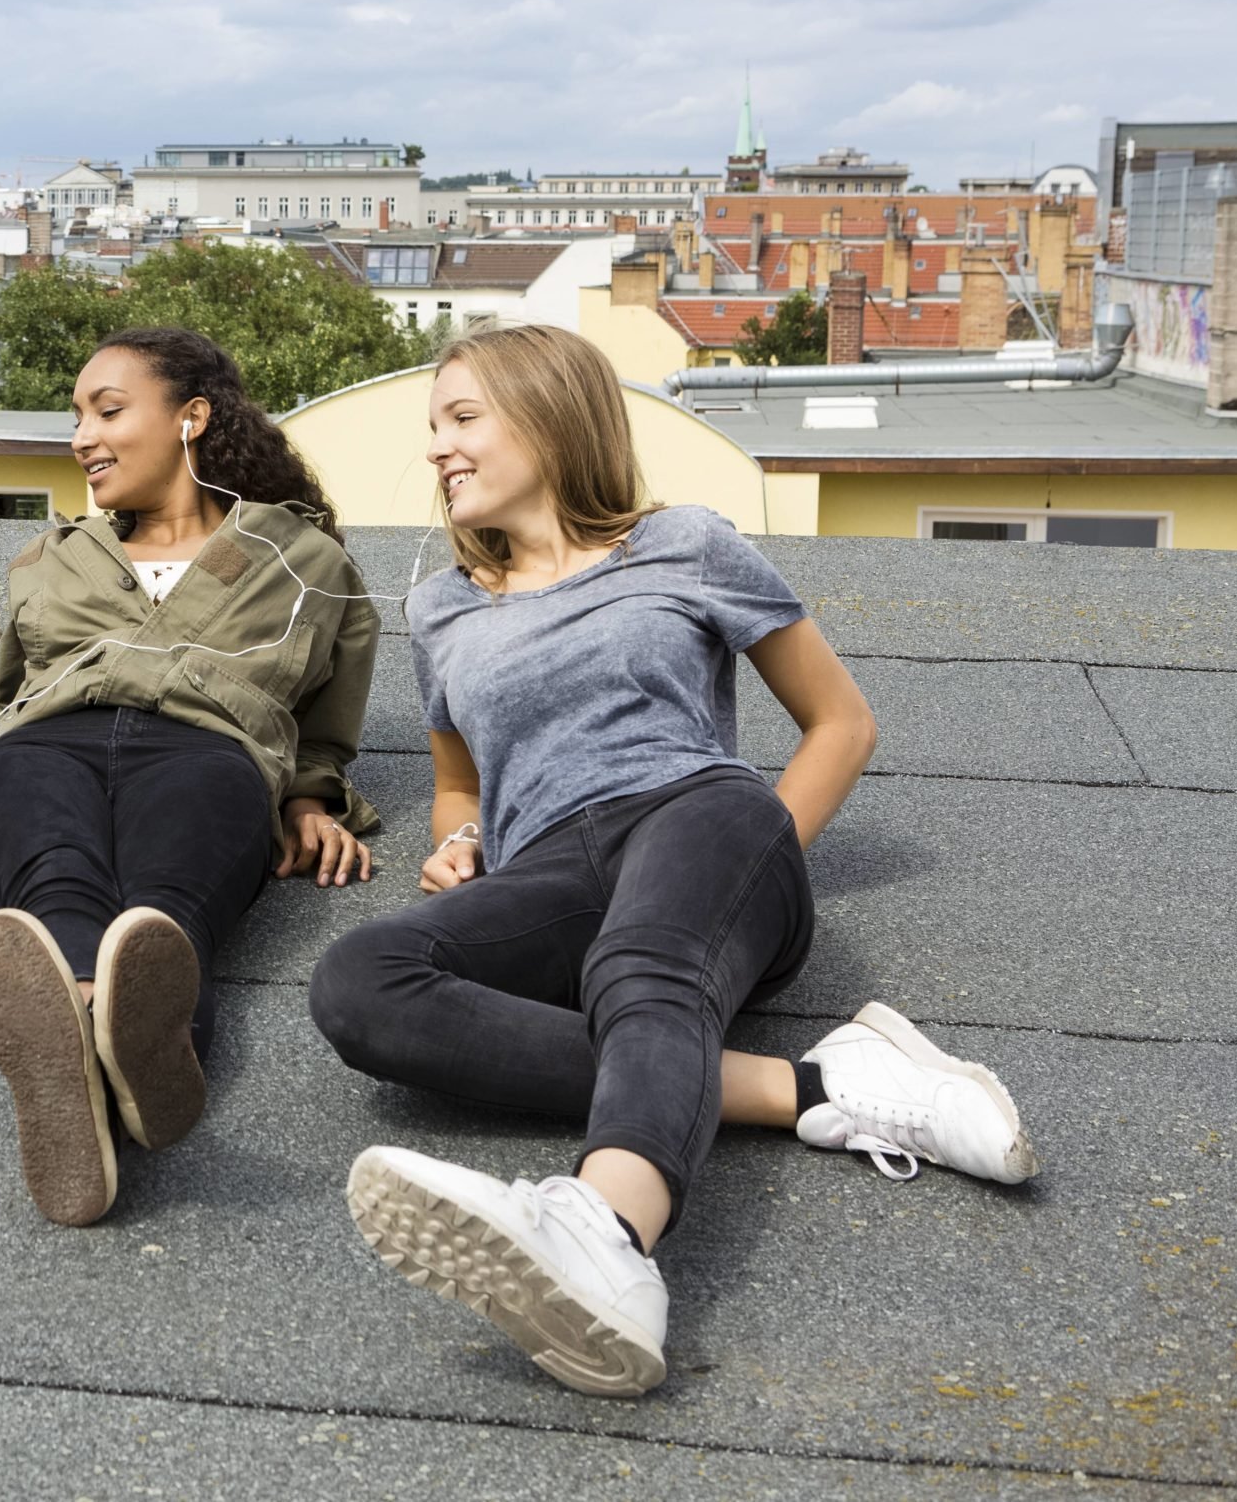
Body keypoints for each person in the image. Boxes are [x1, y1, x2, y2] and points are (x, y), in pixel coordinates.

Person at [309, 324, 1037, 1398]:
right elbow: (460, 781)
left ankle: (606, 1238)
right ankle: (824, 1088)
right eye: (433, 425)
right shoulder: (441, 608)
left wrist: (753, 863)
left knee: (642, 967)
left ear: (549, 417)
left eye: (461, 418)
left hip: (698, 818)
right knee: (355, 982)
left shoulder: (682, 543)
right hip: (546, 873)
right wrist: (458, 839)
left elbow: (840, 723)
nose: (436, 448)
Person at [0, 327, 382, 1227]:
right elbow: (18, 703)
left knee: (160, 916)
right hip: (44, 748)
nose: (82, 436)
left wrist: (310, 797)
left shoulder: (303, 558)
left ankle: (76, 1071)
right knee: (53, 882)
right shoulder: (51, 557)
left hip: (205, 748)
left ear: (191, 418)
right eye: (77, 416)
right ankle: (128, 1065)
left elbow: (325, 715)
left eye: (108, 410)